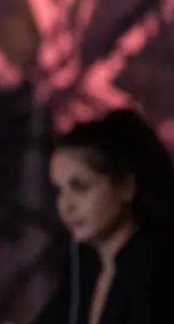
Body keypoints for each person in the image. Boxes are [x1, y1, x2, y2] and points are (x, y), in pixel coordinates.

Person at [34, 109, 174, 324]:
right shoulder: (83, 263)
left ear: (126, 186)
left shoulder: (158, 272)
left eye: (80, 187)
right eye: (59, 190)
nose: (65, 206)